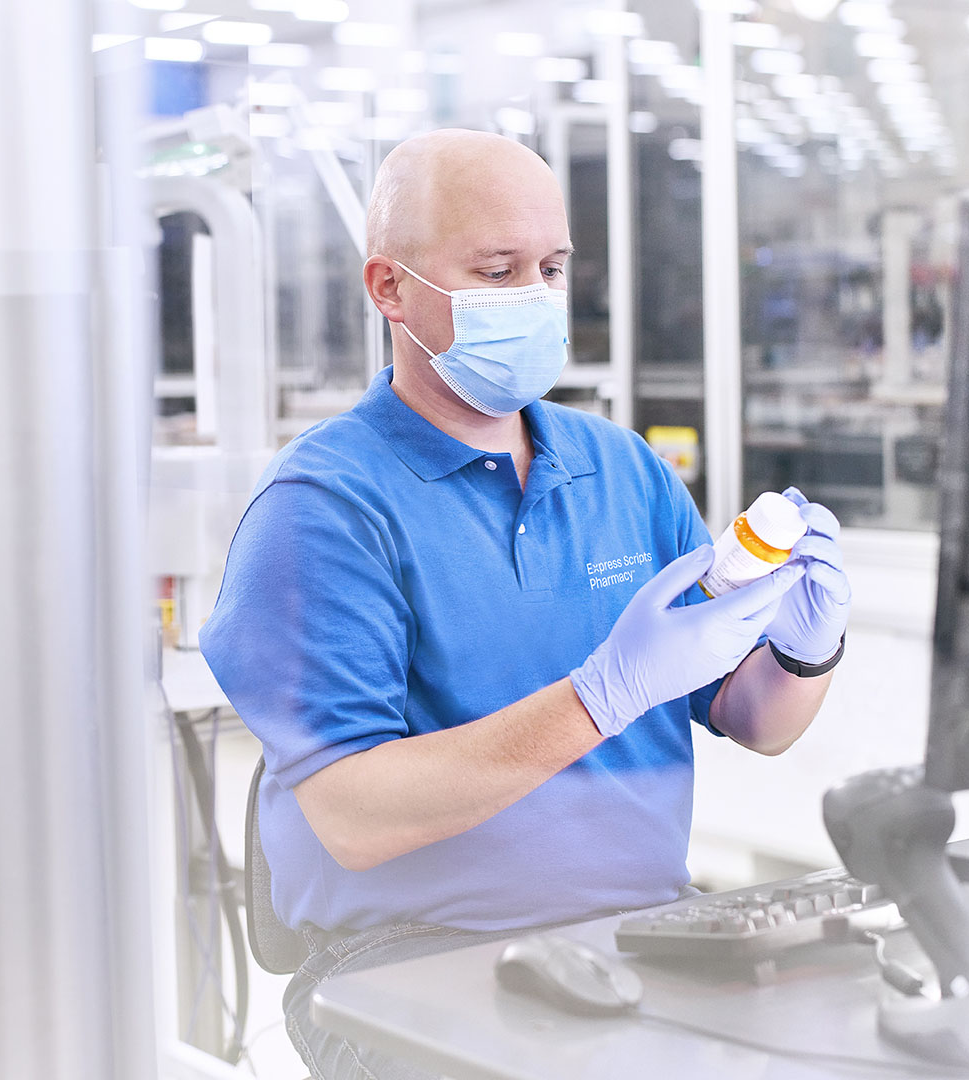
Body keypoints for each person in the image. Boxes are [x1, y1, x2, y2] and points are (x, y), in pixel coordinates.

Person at [199, 128, 851, 1080]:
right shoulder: (322, 510)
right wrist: (601, 695)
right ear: (390, 288)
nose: (537, 300)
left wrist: (804, 650)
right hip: (413, 963)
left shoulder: (622, 469)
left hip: (649, 938)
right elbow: (355, 815)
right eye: (497, 271)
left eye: (550, 268)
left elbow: (754, 721)